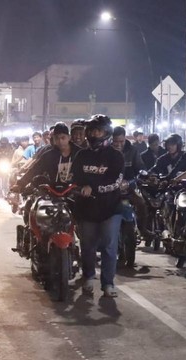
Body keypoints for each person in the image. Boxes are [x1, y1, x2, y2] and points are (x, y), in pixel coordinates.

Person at [72, 115, 124, 297]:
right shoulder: (81, 155)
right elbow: (75, 178)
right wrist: (79, 189)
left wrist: (92, 187)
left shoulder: (116, 156)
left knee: (110, 247)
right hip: (86, 209)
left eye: (99, 131)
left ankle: (108, 283)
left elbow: (115, 181)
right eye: (92, 131)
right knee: (87, 246)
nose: (95, 134)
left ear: (107, 133)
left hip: (110, 209)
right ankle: (87, 277)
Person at [11, 122, 80, 191]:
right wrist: (20, 184)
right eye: (57, 138)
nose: (60, 141)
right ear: (53, 139)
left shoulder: (80, 153)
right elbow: (35, 170)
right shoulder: (49, 155)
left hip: (75, 194)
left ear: (69, 137)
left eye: (63, 138)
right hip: (54, 193)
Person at [112, 126, 149, 238]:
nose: (118, 144)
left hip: (130, 186)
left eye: (121, 141)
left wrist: (142, 174)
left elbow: (140, 167)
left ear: (125, 138)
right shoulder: (107, 151)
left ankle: (143, 230)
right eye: (115, 142)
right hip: (110, 188)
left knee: (142, 203)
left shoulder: (133, 150)